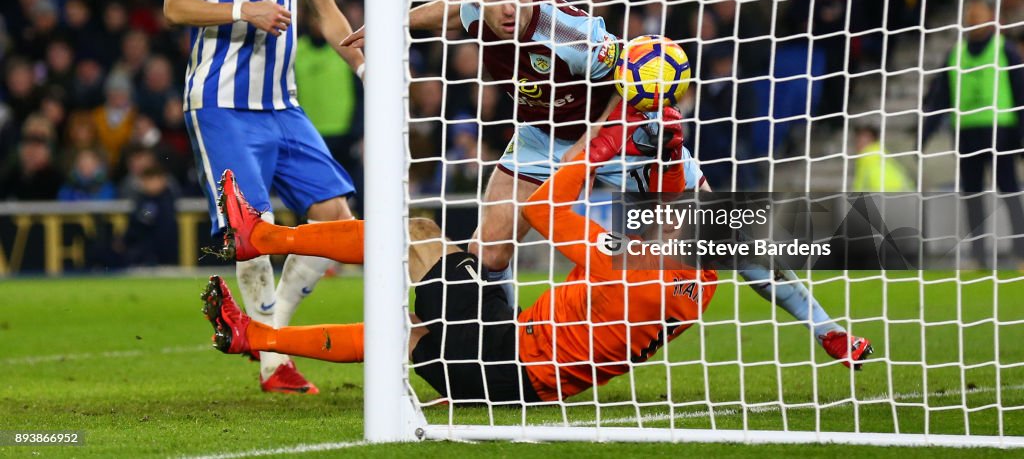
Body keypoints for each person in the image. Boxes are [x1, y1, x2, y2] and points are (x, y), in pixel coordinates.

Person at [344, 0, 870, 366]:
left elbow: (636, 70)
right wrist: (391, 23)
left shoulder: (569, 33)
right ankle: (499, 356)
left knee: (728, 236)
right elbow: (441, 14)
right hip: (535, 141)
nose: (509, 7)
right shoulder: (478, 14)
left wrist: (614, 131)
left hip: (614, 140)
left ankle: (828, 330)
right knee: (491, 253)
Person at [202, 107, 718, 402]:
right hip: (518, 378)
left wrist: (595, 151)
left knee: (419, 237)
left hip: (505, 353)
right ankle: (257, 335)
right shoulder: (700, 283)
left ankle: (264, 240)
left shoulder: (625, 264)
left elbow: (542, 207)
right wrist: (670, 156)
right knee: (407, 328)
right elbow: (676, 208)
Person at [163, 0, 365, 394]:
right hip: (222, 103)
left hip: (284, 106)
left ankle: (264, 334)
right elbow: (175, 6)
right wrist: (241, 10)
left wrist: (367, 70)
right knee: (254, 231)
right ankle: (276, 363)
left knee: (338, 225)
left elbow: (326, 13)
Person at [922, 0, 1024, 266]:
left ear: (991, 18)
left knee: (1009, 189)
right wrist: (925, 133)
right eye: (972, 14)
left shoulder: (1005, 49)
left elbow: (1020, 91)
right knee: (972, 195)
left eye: (980, 13)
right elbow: (939, 97)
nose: (975, 17)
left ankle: (1021, 251)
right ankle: (979, 256)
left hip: (1000, 133)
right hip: (966, 133)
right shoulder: (955, 55)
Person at [851, 124, 914, 192]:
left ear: (873, 140)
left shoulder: (872, 158)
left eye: (863, 140)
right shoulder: (877, 157)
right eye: (858, 141)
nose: (859, 144)